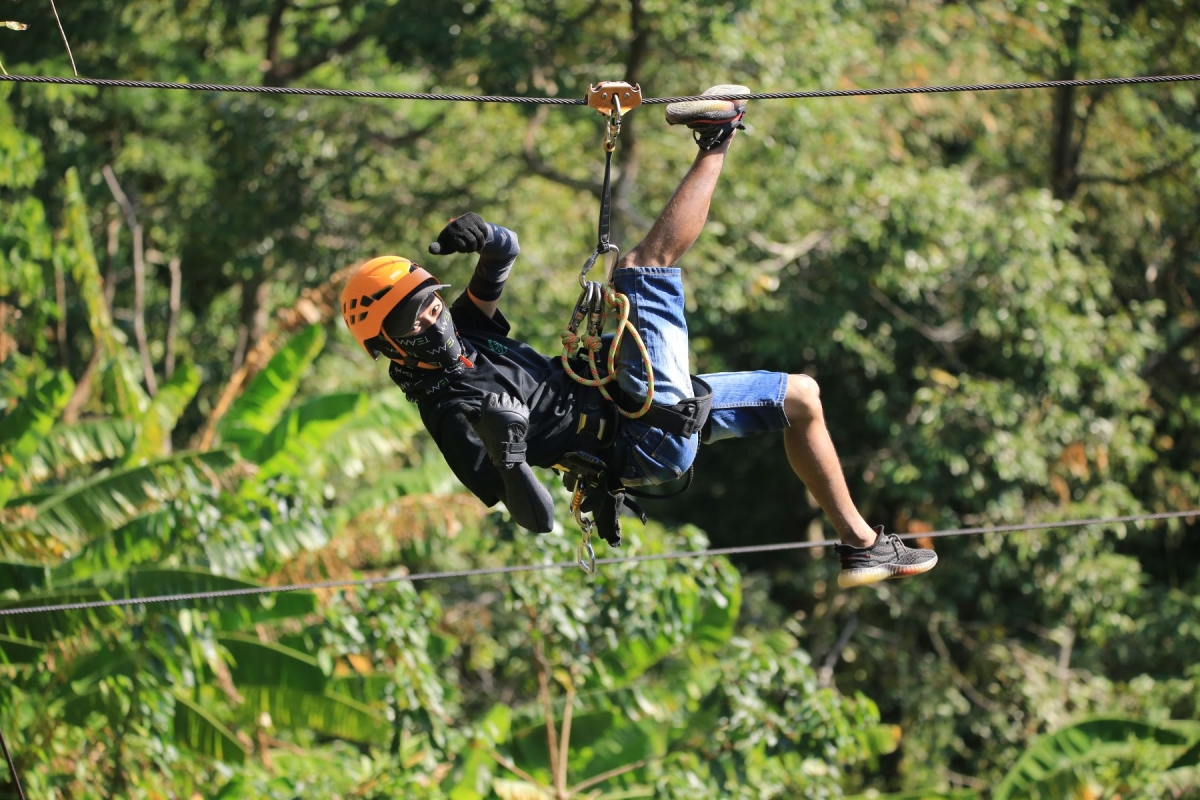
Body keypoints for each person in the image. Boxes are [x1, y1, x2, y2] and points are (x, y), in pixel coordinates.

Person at [340, 86, 938, 588]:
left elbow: (503, 258)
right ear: (388, 347)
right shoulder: (447, 409)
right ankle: (719, 137)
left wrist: (487, 237)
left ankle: (861, 544)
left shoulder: (466, 332)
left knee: (802, 396)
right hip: (640, 435)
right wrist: (509, 455)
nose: (427, 319)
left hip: (636, 407)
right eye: (405, 321)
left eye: (426, 303)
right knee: (641, 266)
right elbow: (536, 518)